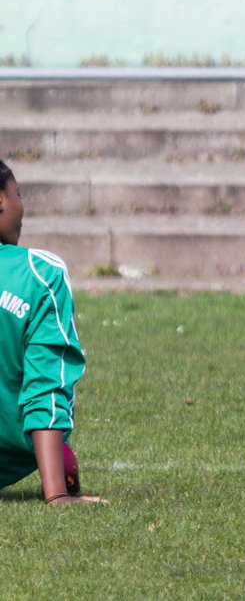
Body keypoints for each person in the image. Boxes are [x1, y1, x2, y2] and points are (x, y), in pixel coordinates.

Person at [0, 160, 103, 505]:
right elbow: (46, 381)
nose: (21, 206)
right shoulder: (40, 274)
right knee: (63, 457)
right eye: (19, 194)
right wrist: (57, 493)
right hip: (12, 448)